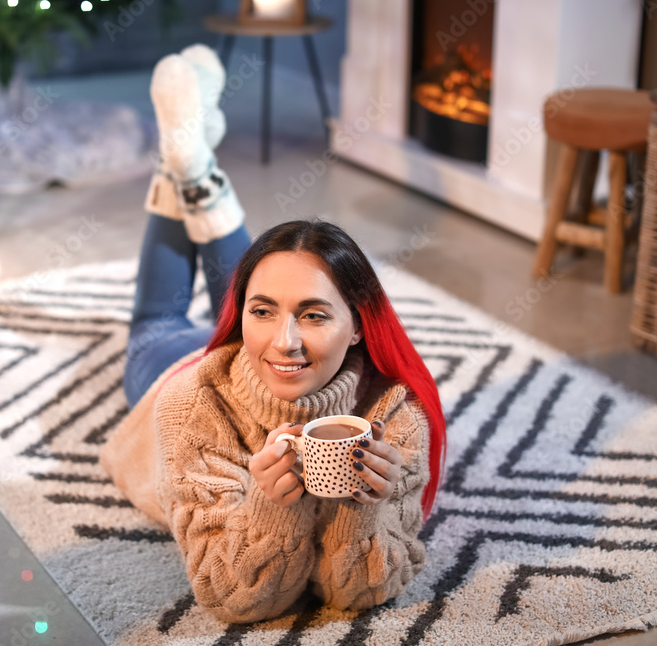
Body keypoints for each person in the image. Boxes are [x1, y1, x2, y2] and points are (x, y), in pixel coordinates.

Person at [100, 48, 447, 625]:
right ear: (243, 318)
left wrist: (366, 505)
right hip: (177, 369)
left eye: (314, 316)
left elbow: (357, 596)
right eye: (260, 312)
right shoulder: (190, 405)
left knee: (268, 282)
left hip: (242, 357)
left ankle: (184, 158)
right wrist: (270, 506)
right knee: (157, 323)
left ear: (360, 324)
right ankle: (186, 161)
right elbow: (230, 600)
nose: (284, 340)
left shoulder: (394, 414)